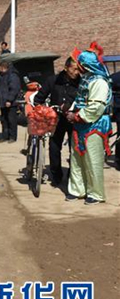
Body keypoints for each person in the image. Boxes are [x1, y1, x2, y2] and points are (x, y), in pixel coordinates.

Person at [65, 44, 113, 204]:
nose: (78, 70)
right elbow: (79, 100)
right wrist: (71, 111)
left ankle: (96, 193)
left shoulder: (99, 82)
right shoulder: (87, 80)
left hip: (94, 125)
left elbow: (96, 107)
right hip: (80, 124)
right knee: (77, 158)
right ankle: (77, 190)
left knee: (93, 160)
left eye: (79, 66)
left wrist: (77, 116)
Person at [34, 57, 81, 187]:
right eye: (74, 69)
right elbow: (39, 98)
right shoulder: (53, 80)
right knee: (54, 147)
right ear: (66, 68)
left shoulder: (81, 82)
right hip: (56, 119)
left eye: (78, 69)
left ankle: (73, 174)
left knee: (75, 148)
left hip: (74, 120)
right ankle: (56, 175)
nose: (76, 72)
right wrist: (42, 109)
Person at [0, 61, 21, 142]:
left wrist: (9, 100)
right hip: (3, 102)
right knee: (4, 120)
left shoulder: (13, 76)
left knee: (11, 120)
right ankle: (5, 136)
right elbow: (0, 88)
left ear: (3, 67)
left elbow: (14, 89)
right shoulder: (3, 76)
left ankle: (12, 137)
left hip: (11, 103)